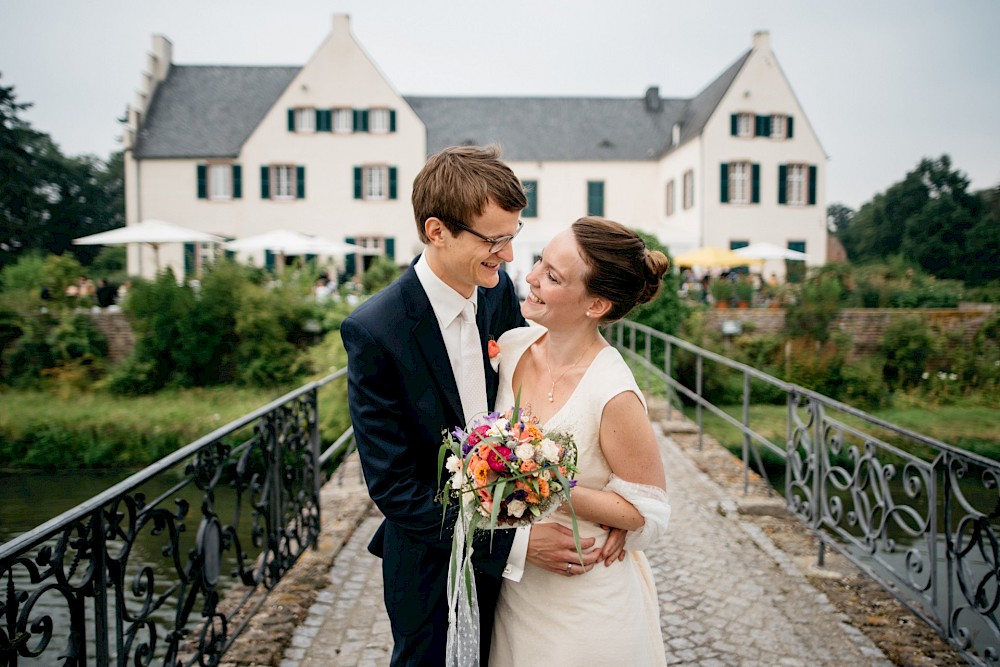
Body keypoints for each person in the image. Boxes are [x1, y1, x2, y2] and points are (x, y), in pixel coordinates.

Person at [341, 146, 612, 667]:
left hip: (518, 574)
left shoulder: (497, 295)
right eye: (493, 240)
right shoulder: (374, 332)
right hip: (430, 565)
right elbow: (395, 488)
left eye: (512, 236)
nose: (508, 255)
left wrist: (619, 508)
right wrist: (515, 546)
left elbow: (538, 401)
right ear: (436, 230)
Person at [490, 216, 671, 667]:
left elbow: (647, 511)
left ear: (595, 305)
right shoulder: (512, 348)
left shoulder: (614, 392)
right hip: (516, 595)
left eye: (552, 276)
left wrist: (545, 483)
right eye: (539, 263)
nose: (529, 277)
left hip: (587, 602)